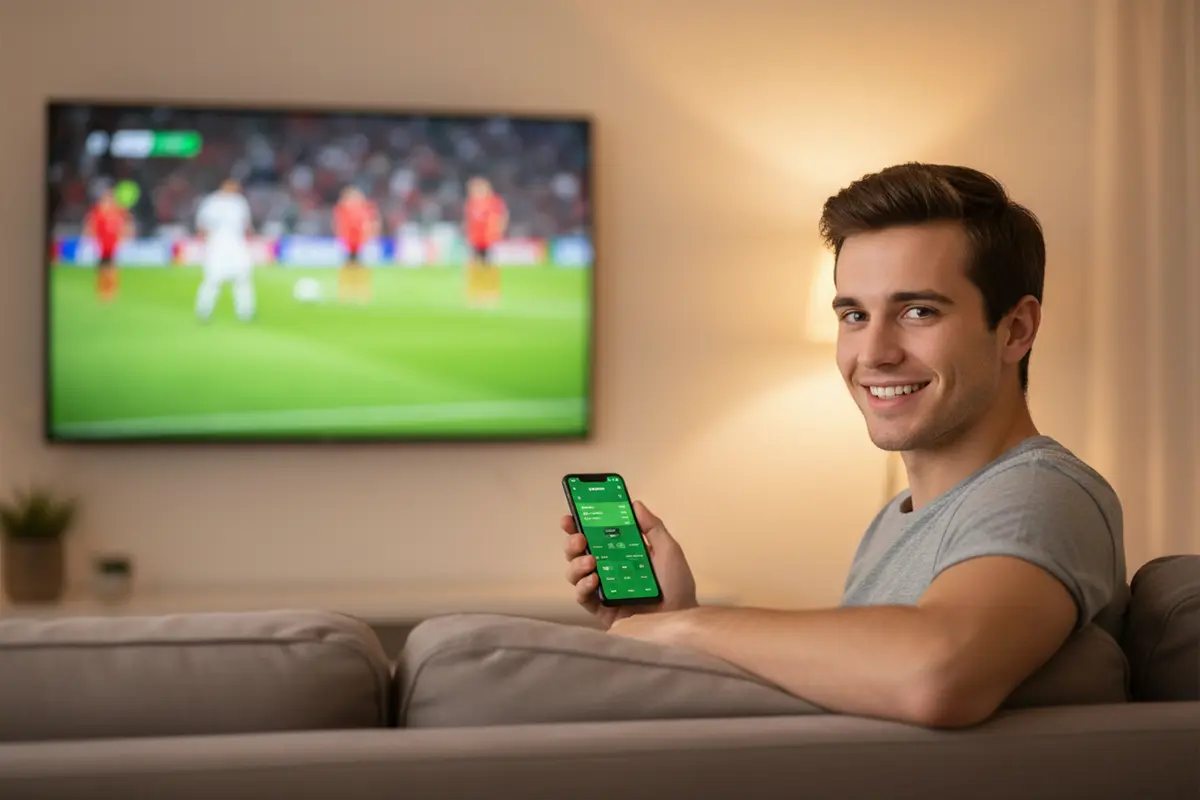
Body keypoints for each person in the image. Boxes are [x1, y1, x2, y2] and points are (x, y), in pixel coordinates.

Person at [560, 163, 1128, 729]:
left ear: (1016, 330)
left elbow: (937, 673)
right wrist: (673, 618)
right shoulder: (895, 522)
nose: (874, 352)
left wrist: (687, 628)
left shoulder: (1039, 496)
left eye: (918, 311)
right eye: (854, 315)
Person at [194, 178, 256, 323]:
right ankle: (203, 311)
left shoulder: (238, 202)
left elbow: (246, 225)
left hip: (235, 245)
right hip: (218, 245)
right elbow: (202, 227)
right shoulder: (212, 202)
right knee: (213, 279)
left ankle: (245, 312)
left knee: (242, 278)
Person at [463, 176, 508, 307]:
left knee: (489, 266)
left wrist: (498, 232)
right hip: (475, 239)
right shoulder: (471, 202)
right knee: (474, 266)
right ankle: (475, 291)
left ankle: (492, 291)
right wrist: (468, 235)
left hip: (488, 239)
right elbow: (469, 221)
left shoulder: (494, 201)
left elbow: (501, 218)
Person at [82, 186, 133, 302]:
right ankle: (104, 291)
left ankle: (111, 290)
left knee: (112, 268)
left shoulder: (118, 211)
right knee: (103, 268)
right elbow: (91, 225)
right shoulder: (98, 212)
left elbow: (126, 223)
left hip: (113, 244)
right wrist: (88, 237)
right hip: (102, 245)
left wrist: (125, 236)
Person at [333, 186, 380, 303]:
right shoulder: (342, 208)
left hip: (361, 241)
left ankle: (362, 291)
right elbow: (337, 223)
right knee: (347, 266)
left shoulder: (366, 207)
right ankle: (345, 291)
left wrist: (371, 235)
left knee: (361, 267)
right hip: (348, 242)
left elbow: (374, 222)